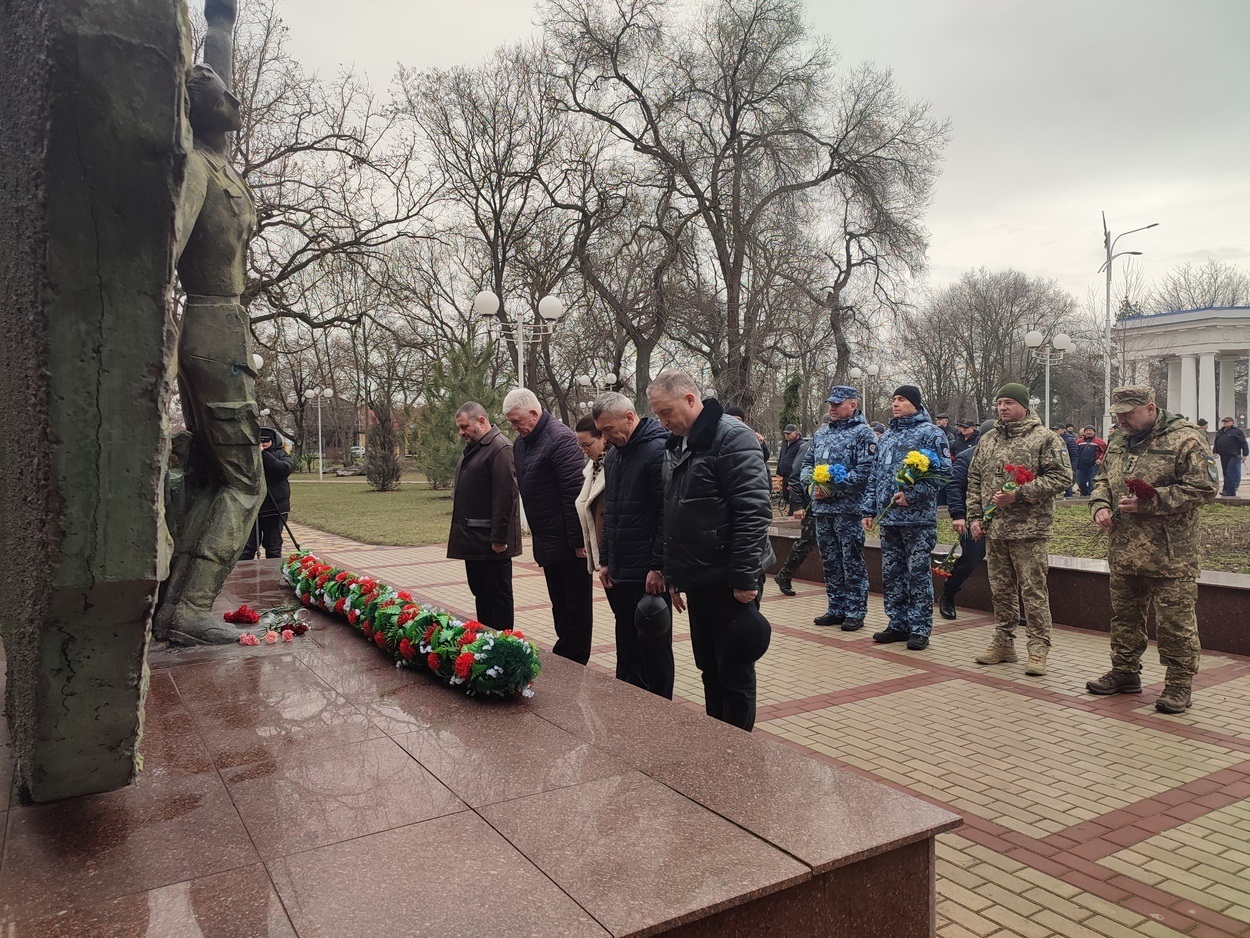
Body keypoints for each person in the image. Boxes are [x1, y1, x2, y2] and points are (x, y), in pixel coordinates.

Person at [649, 371, 774, 730]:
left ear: (690, 399)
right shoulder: (678, 444)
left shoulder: (733, 437)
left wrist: (745, 578)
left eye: (666, 412)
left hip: (729, 579)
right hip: (698, 577)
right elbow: (671, 514)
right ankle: (716, 738)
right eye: (657, 415)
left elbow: (753, 511)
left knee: (733, 668)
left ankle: (736, 747)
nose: (663, 421)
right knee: (708, 666)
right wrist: (670, 572)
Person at [1086, 385, 1217, 713]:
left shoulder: (1184, 437)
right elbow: (1103, 479)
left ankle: (1178, 684)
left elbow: (1205, 487)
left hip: (1169, 553)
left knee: (1175, 621)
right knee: (1125, 616)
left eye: (1128, 412)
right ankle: (1125, 673)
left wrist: (1152, 501)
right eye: (1117, 413)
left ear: (1150, 406)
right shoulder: (1118, 439)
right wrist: (1100, 504)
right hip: (1124, 547)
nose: (1121, 419)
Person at [965, 383, 1072, 676]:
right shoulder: (988, 440)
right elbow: (974, 479)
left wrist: (1021, 494)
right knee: (1001, 591)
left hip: (1029, 530)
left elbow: (1062, 477)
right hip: (995, 529)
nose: (1002, 408)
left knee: (1033, 591)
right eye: (999, 403)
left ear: (1024, 406)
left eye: (1009, 403)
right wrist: (975, 517)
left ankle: (1038, 650)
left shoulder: (1044, 438)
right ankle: (1003, 643)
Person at [593, 392, 674, 698]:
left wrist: (657, 566)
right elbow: (610, 510)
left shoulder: (658, 450)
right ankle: (628, 699)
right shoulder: (614, 455)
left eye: (609, 429)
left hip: (648, 573)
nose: (606, 437)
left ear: (629, 417)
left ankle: (658, 705)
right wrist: (605, 560)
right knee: (626, 639)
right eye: (601, 431)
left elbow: (667, 513)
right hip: (621, 569)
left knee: (653, 645)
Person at [505, 388, 593, 664]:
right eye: (510, 422)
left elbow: (573, 493)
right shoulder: (522, 443)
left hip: (569, 542)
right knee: (559, 602)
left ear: (534, 412)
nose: (514, 427)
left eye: (517, 420)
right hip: (547, 540)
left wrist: (580, 542)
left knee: (576, 605)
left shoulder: (560, 439)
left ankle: (575, 658)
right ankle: (565, 652)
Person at [861, 385, 951, 650]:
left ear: (915, 403)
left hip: (917, 520)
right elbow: (874, 476)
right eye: (893, 400)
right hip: (889, 520)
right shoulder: (887, 436)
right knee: (892, 574)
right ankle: (898, 623)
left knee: (917, 574)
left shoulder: (931, 434)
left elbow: (943, 473)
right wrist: (869, 510)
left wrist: (913, 495)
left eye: (901, 400)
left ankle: (920, 627)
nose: (895, 404)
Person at [799, 386, 877, 630]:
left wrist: (834, 488)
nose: (832, 408)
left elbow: (866, 471)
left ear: (852, 405)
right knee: (830, 561)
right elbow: (807, 464)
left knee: (851, 561)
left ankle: (855, 611)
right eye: (830, 404)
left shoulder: (863, 434)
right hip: (822, 510)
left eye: (837, 404)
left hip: (848, 510)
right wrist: (811, 488)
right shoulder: (821, 434)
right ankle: (836, 607)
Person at [447, 402, 520, 630]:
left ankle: (503, 647)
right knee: (482, 596)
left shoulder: (500, 448)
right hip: (474, 541)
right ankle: (485, 643)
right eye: (459, 427)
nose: (461, 432)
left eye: (464, 426)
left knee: (498, 600)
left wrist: (499, 539)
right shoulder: (476, 447)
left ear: (481, 421)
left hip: (491, 544)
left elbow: (505, 496)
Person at [940, 419, 996, 620]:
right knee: (970, 560)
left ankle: (1009, 608)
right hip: (974, 518)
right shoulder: (967, 457)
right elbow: (954, 486)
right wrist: (958, 515)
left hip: (1004, 521)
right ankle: (948, 593)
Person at [240, 427, 294, 560]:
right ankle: (244, 576)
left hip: (275, 509)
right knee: (247, 548)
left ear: (273, 441)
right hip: (252, 509)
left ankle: (272, 575)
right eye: (259, 440)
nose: (262, 443)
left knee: (273, 546)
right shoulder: (247, 456)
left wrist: (263, 454)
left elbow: (284, 470)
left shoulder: (281, 454)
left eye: (266, 440)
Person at [772, 433, 814, 596]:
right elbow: (795, 475)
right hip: (811, 505)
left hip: (831, 506)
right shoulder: (810, 446)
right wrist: (797, 504)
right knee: (806, 541)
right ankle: (784, 574)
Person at [573, 415, 608, 580]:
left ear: (602, 437)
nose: (584, 451)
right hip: (602, 553)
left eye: (587, 445)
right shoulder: (592, 468)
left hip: (617, 555)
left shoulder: (614, 464)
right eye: (580, 445)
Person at [1213, 416, 1248, 497]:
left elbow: (1243, 443)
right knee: (1225, 473)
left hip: (1234, 455)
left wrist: (1245, 454)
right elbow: (1217, 442)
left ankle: (1228, 491)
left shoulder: (1236, 431)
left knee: (1230, 473)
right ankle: (1228, 491)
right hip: (1223, 455)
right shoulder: (1221, 431)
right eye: (1224, 421)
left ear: (1232, 422)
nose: (1225, 423)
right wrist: (1215, 451)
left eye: (1227, 421)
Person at [776, 424, 805, 513]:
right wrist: (779, 471)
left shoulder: (800, 444)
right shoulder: (784, 443)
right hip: (785, 474)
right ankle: (791, 509)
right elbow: (781, 457)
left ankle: (793, 510)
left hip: (794, 475)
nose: (787, 435)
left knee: (793, 493)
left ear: (795, 433)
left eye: (789, 433)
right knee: (786, 494)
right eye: (786, 433)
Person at [1073, 426, 1106, 497]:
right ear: (1084, 432)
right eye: (1087, 430)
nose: (1088, 432)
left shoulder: (1099, 441)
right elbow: (1074, 452)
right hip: (1080, 465)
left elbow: (1104, 452)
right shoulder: (1079, 441)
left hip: (1093, 465)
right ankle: (1084, 494)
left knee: (1092, 482)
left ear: (1094, 432)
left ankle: (1091, 495)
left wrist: (1100, 459)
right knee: (1080, 481)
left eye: (1090, 430)